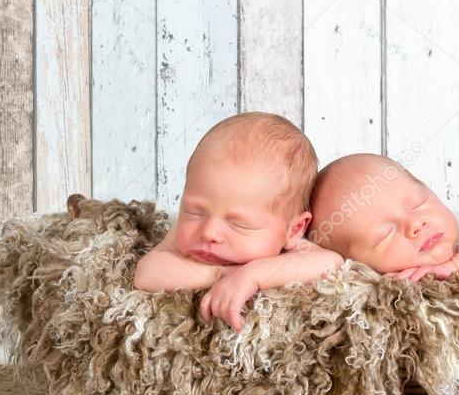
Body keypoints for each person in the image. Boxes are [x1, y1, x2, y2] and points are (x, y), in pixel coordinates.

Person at [133, 112, 343, 330]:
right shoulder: (186, 233)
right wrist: (222, 274)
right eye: (195, 212)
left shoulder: (288, 245)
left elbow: (330, 262)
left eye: (238, 224)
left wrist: (253, 276)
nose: (209, 232)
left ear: (294, 230)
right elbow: (146, 273)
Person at [308, 153, 459, 280]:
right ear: (356, 265)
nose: (414, 224)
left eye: (419, 203)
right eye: (385, 235)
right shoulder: (373, 288)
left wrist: (454, 267)